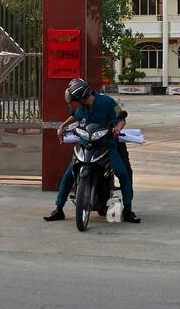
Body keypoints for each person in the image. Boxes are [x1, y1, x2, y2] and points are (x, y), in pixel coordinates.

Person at [44, 78, 140, 223]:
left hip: (106, 146)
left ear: (81, 98)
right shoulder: (81, 107)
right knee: (69, 175)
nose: (73, 105)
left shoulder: (108, 102)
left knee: (123, 173)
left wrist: (117, 129)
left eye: (74, 102)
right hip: (86, 145)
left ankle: (128, 210)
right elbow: (75, 116)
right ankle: (58, 209)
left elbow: (121, 118)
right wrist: (62, 126)